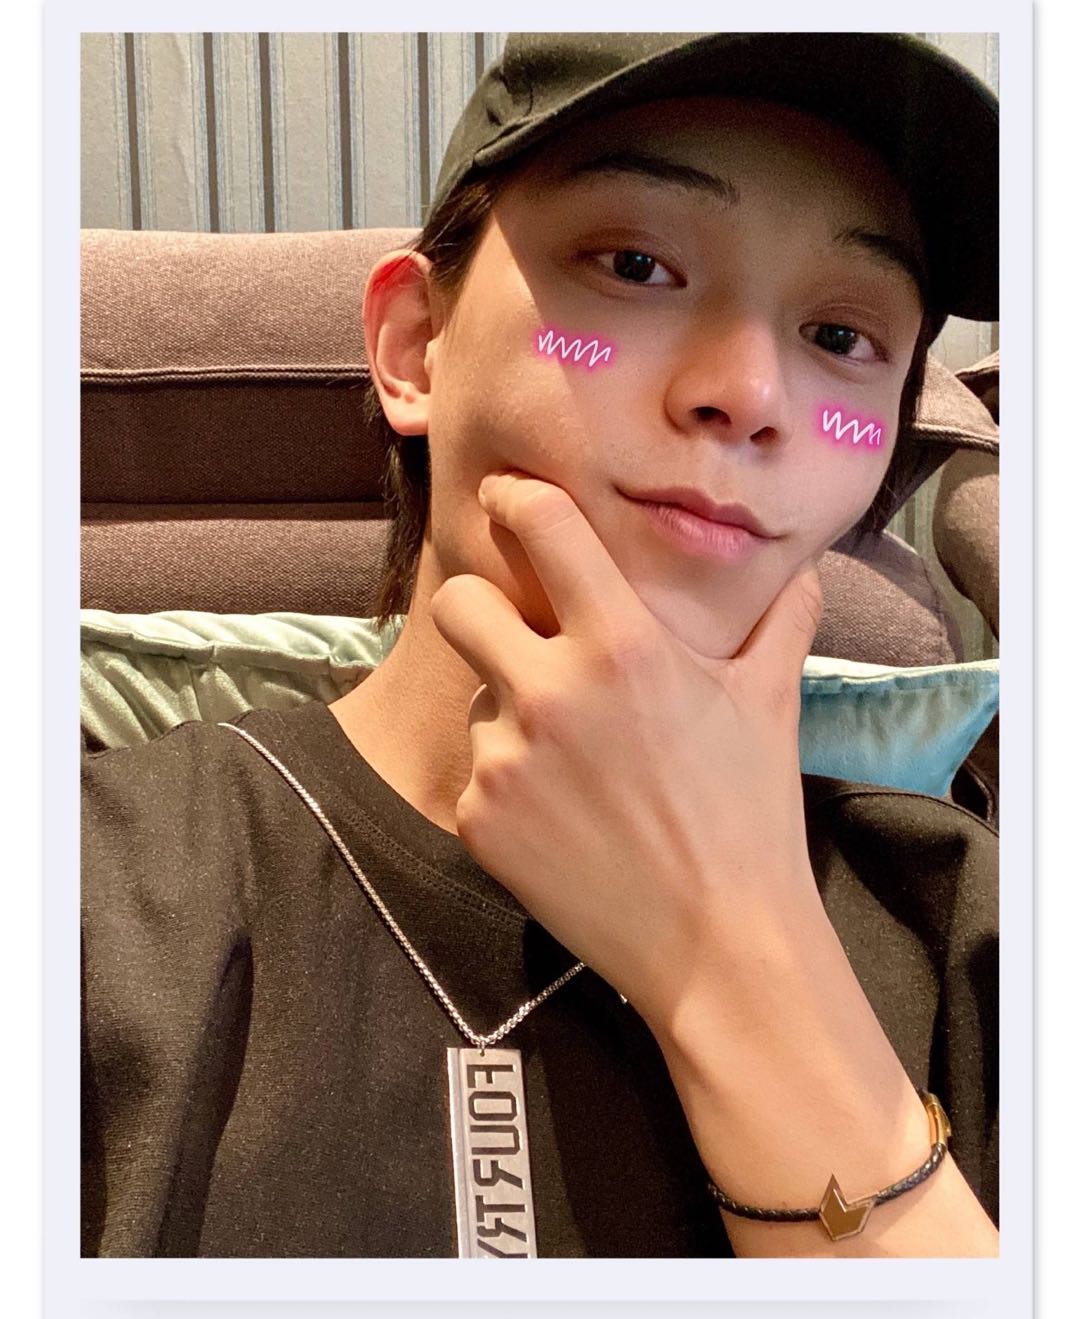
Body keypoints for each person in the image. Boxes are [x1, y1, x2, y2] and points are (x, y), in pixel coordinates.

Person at [81, 32, 1000, 1258]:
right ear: (415, 346)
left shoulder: (973, 921)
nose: (750, 392)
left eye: (840, 338)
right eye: (635, 264)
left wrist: (733, 955)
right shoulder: (88, 885)